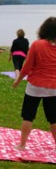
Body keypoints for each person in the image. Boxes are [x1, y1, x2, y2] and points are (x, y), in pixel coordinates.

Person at [13, 17, 56, 151]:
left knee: (28, 116)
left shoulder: (37, 45)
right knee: (53, 119)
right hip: (54, 87)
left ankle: (22, 145)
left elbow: (27, 67)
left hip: (35, 86)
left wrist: (18, 80)